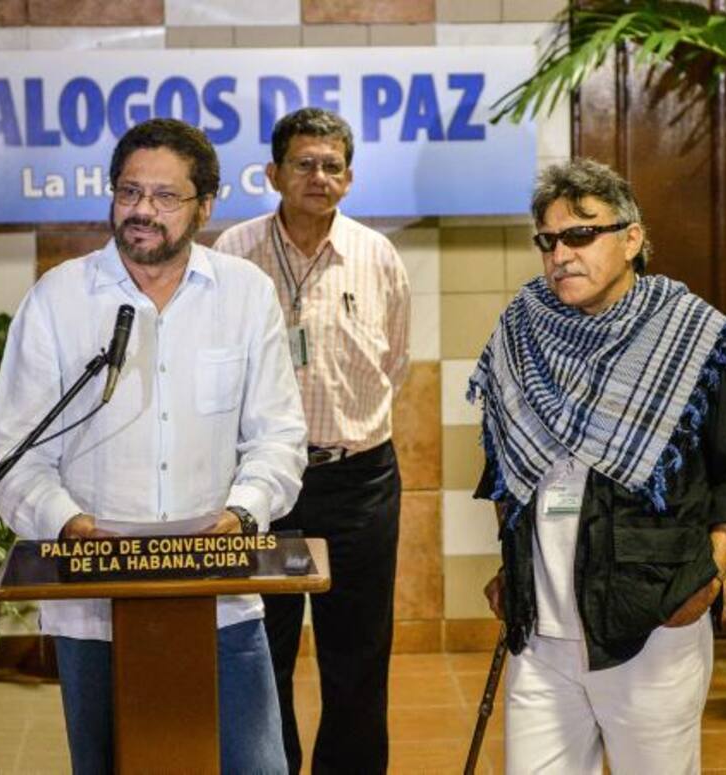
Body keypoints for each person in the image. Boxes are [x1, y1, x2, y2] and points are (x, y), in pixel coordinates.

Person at [0, 118, 306, 775]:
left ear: (205, 206)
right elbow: (14, 451)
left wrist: (242, 513)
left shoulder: (245, 295)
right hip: (94, 603)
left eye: (165, 196)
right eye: (129, 192)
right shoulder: (58, 300)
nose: (142, 211)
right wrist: (67, 523)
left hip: (220, 595)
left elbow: (278, 436)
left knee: (256, 766)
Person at [471, 158, 726, 774]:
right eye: (548, 241)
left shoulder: (692, 338)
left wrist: (705, 578)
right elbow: (504, 466)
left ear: (631, 239)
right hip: (542, 638)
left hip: (651, 626)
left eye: (581, 235)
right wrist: (514, 566)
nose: (561, 255)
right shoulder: (520, 332)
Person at [213, 107, 410, 774]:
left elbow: (394, 361)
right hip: (258, 483)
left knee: (358, 653)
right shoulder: (233, 253)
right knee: (259, 649)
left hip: (359, 481)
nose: (319, 177)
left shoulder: (376, 255)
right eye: (304, 164)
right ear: (272, 173)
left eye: (332, 166)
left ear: (349, 178)